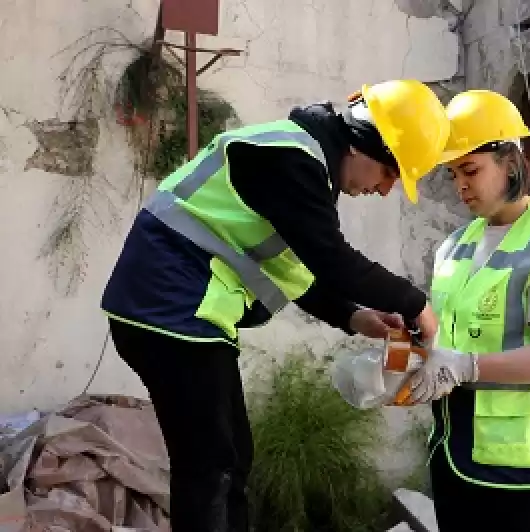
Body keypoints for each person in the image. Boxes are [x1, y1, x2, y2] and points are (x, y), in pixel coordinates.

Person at [100, 79, 448, 532]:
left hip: (180, 314)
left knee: (231, 460)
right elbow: (332, 259)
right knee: (210, 466)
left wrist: (352, 316)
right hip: (169, 310)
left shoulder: (302, 168)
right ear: (366, 146)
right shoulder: (293, 159)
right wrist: (415, 304)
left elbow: (297, 270)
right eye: (391, 175)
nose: (385, 191)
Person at [404, 89, 530, 532]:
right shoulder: (455, 245)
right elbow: (446, 337)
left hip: (523, 463)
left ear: (510, 162)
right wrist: (408, 355)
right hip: (454, 450)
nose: (461, 186)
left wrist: (465, 365)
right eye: (453, 174)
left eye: (470, 170)